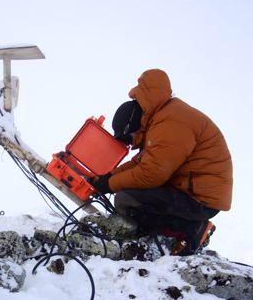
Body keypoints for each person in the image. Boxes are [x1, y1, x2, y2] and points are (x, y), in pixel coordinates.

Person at [93, 69, 233, 255]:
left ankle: (192, 229)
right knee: (129, 196)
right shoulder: (163, 117)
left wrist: (110, 185)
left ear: (133, 125)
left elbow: (152, 174)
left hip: (199, 200)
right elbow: (141, 162)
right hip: (190, 191)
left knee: (126, 200)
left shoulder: (171, 121)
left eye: (129, 138)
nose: (131, 143)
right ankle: (169, 233)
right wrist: (108, 176)